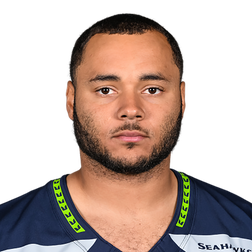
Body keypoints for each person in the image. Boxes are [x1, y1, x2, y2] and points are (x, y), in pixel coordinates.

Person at [0, 12, 251, 252]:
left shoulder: (245, 231)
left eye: (152, 89)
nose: (131, 110)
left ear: (183, 100)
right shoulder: (6, 234)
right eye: (106, 90)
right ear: (71, 100)